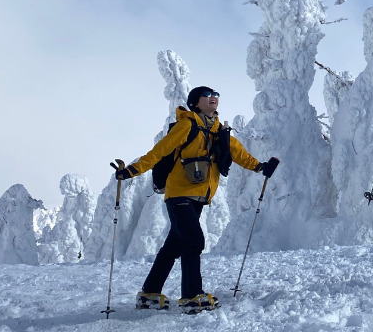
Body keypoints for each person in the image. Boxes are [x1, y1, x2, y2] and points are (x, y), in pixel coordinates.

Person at [114, 85, 279, 314]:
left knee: (173, 246)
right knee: (193, 241)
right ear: (195, 102)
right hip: (179, 194)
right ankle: (192, 296)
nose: (214, 99)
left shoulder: (220, 130)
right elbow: (160, 151)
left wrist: (261, 167)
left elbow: (239, 154)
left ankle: (150, 294)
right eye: (208, 95)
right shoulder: (187, 125)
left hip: (199, 198)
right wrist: (131, 171)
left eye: (216, 96)